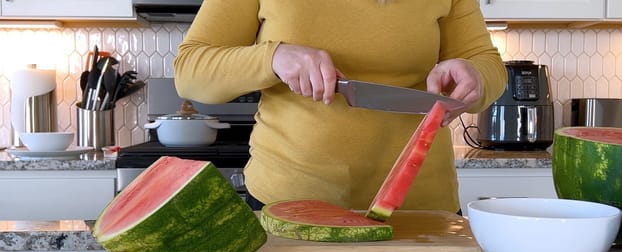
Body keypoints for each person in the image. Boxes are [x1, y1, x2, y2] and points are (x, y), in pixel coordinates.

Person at [174, 0, 507, 213]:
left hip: (421, 210)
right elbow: (190, 71)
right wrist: (273, 57)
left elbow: (487, 62)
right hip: (289, 205)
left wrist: (475, 76)